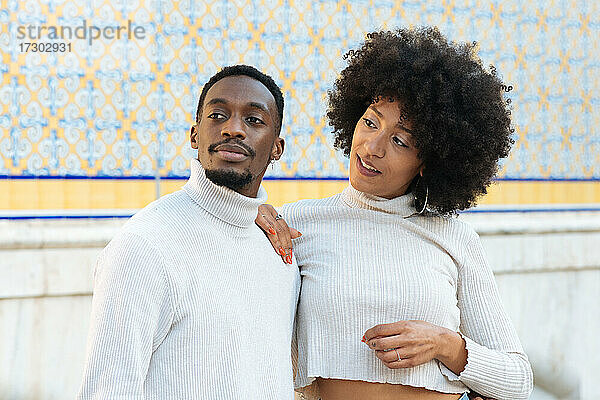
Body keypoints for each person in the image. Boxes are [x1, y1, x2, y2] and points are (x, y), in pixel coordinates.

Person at [256, 27, 533, 400]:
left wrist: (445, 344)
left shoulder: (454, 237)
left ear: (427, 162)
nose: (372, 148)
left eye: (400, 140)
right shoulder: (298, 225)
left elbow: (517, 382)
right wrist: (248, 218)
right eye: (370, 122)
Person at [77, 65, 300, 399]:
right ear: (195, 135)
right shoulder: (146, 244)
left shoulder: (279, 249)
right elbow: (109, 389)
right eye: (218, 115)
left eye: (254, 120)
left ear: (277, 148)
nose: (233, 129)